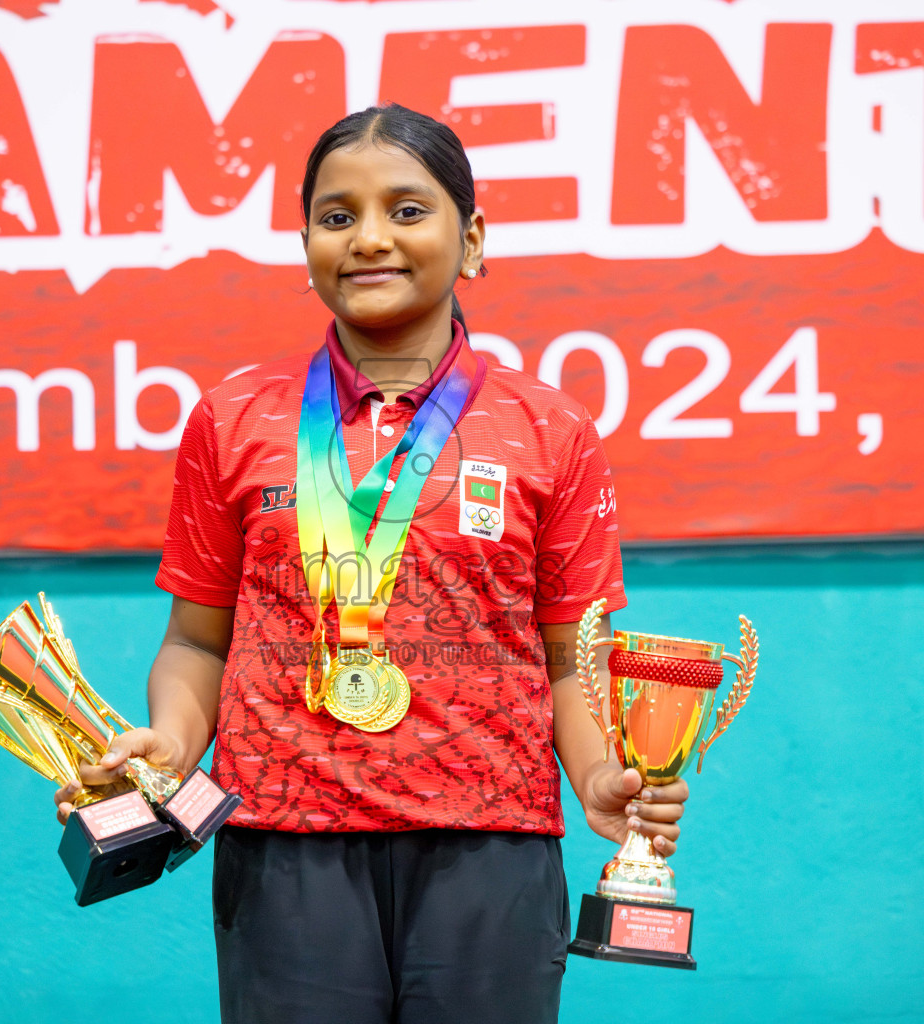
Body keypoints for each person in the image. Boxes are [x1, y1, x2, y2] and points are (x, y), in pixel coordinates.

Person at [55, 104, 688, 1024]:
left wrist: (599, 780)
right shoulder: (234, 419)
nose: (369, 239)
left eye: (407, 209)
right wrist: (169, 741)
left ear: (470, 239)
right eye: (337, 216)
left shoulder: (550, 428)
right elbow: (198, 641)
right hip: (282, 839)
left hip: (492, 844)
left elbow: (568, 658)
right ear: (308, 240)